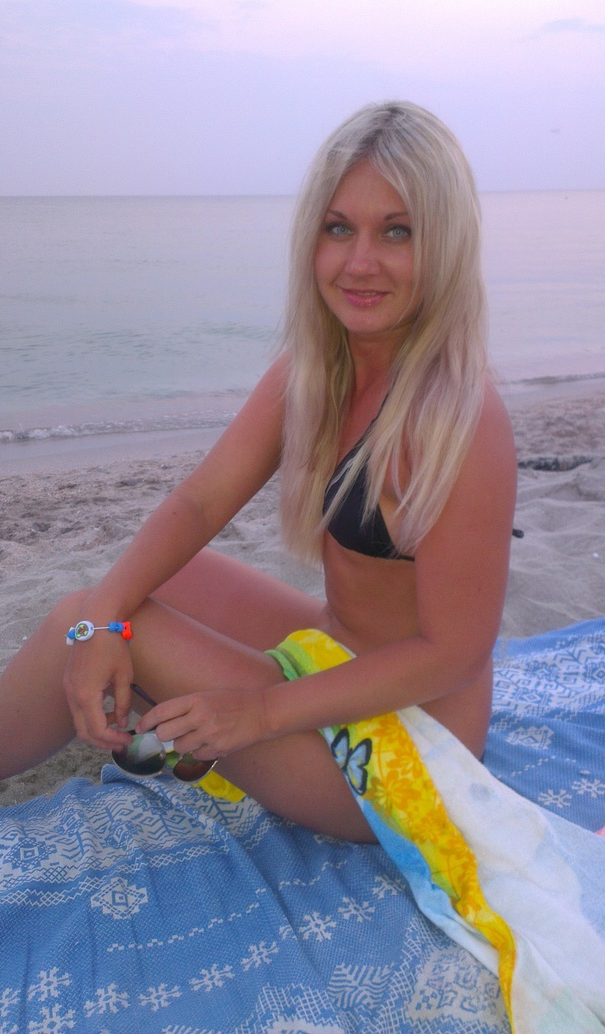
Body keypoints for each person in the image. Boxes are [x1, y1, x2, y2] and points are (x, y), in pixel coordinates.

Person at [0, 102, 516, 843]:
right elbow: (200, 502)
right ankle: (138, 696)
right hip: (335, 654)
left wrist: (259, 713)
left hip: (405, 752)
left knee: (77, 623)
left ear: (447, 244)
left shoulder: (457, 415)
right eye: (338, 228)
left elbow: (454, 655)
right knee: (145, 584)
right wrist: (105, 614)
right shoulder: (318, 371)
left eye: (397, 232)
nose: (359, 262)